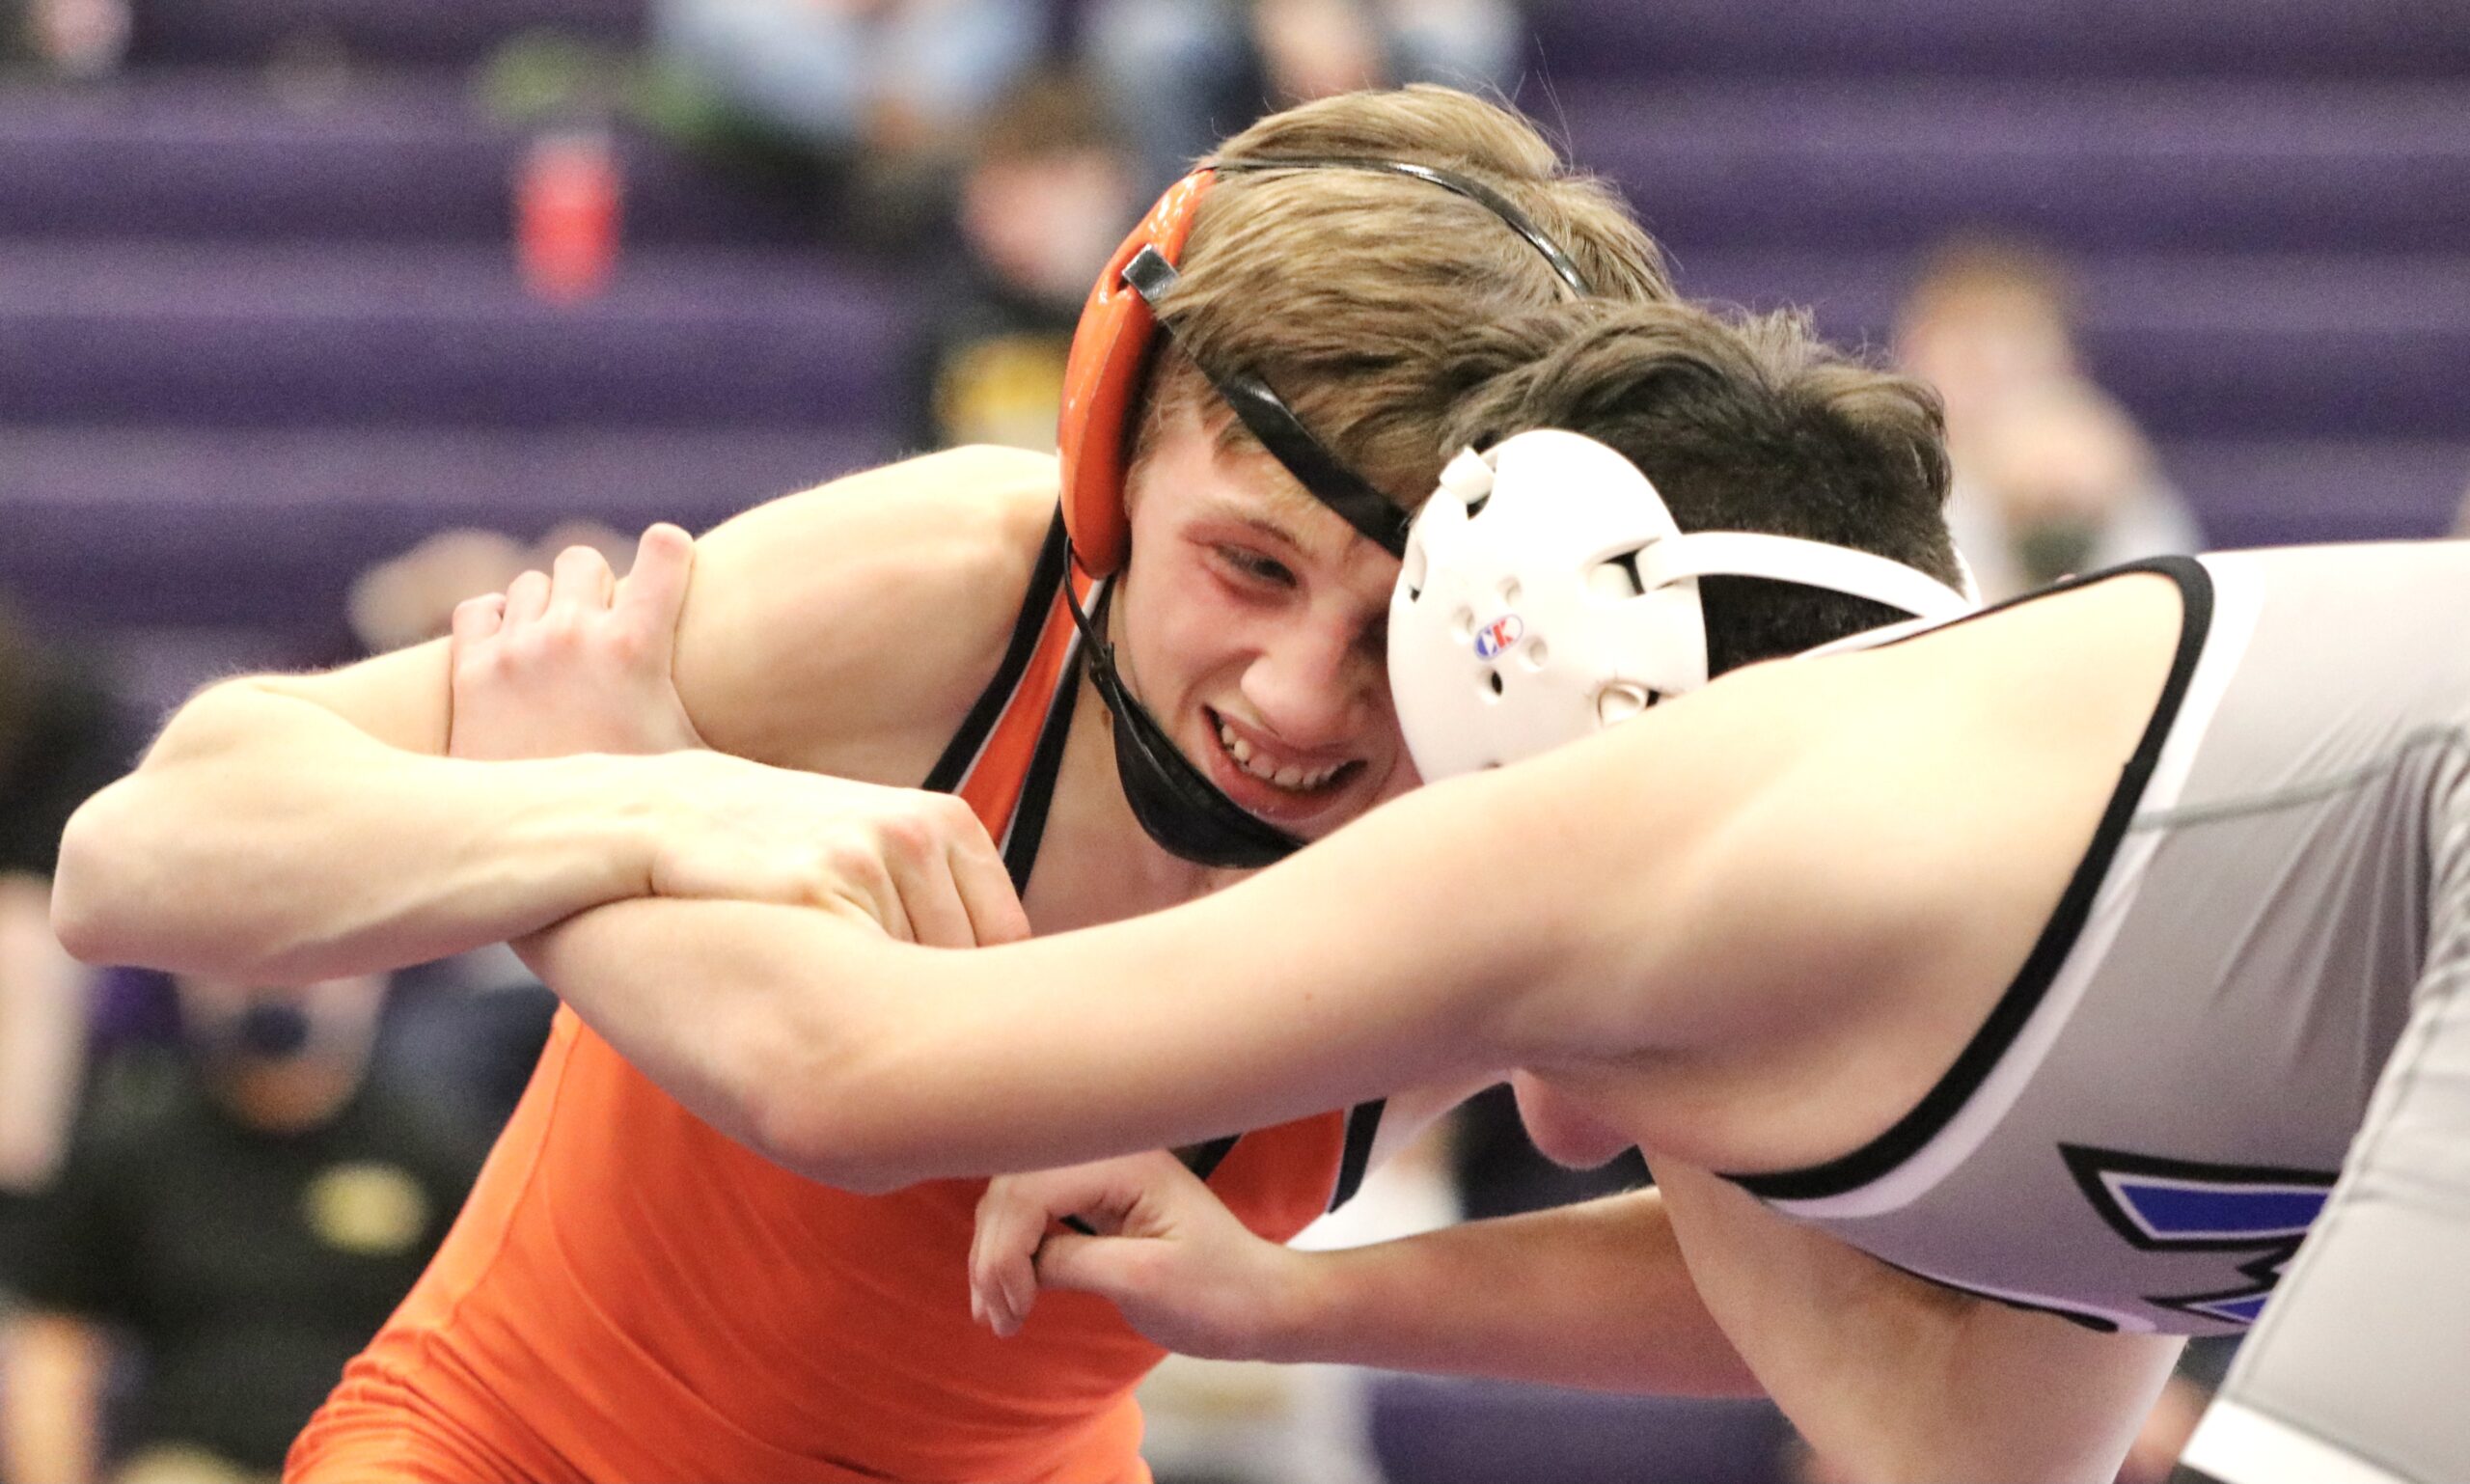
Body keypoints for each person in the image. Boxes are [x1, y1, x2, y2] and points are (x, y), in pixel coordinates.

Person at [476, 321, 2467, 1480]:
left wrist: (598, 794)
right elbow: (1953, 1428)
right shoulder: (2008, 867)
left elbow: (844, 1070)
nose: (1557, 1107)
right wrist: (1293, 1301)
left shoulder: (1674, 822)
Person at [56, 87, 1687, 1484]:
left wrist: (1299, 1300)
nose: (1297, 696)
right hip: (524, 1445)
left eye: (1400, 625)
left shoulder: (1524, 757)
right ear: (1108, 451)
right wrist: (657, 811)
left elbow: (1801, 1267)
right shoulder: (958, 593)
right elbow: (137, 852)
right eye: (1248, 565)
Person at [0, 972, 481, 1484]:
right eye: (240, 966)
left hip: (377, 1456)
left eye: (306, 969)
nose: (276, 983)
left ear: (374, 974)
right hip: (189, 1461)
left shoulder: (437, 1147)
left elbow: (489, 1351)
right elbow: (55, 1348)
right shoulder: (132, 1145)